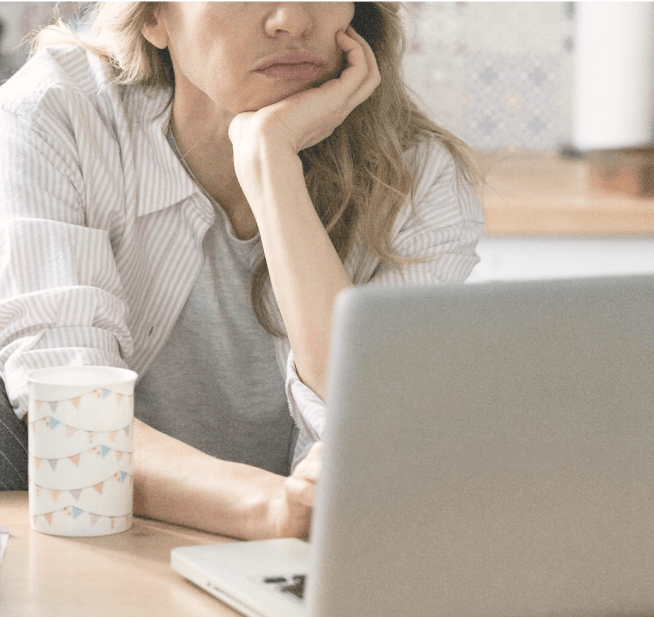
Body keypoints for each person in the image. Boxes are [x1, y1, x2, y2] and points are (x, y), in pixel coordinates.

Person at [0, 2, 484, 538]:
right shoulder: (55, 112)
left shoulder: (418, 178)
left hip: (307, 554)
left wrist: (270, 163)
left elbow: (373, 431)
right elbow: (75, 425)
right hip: (99, 531)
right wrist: (272, 508)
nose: (292, 21)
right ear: (154, 18)